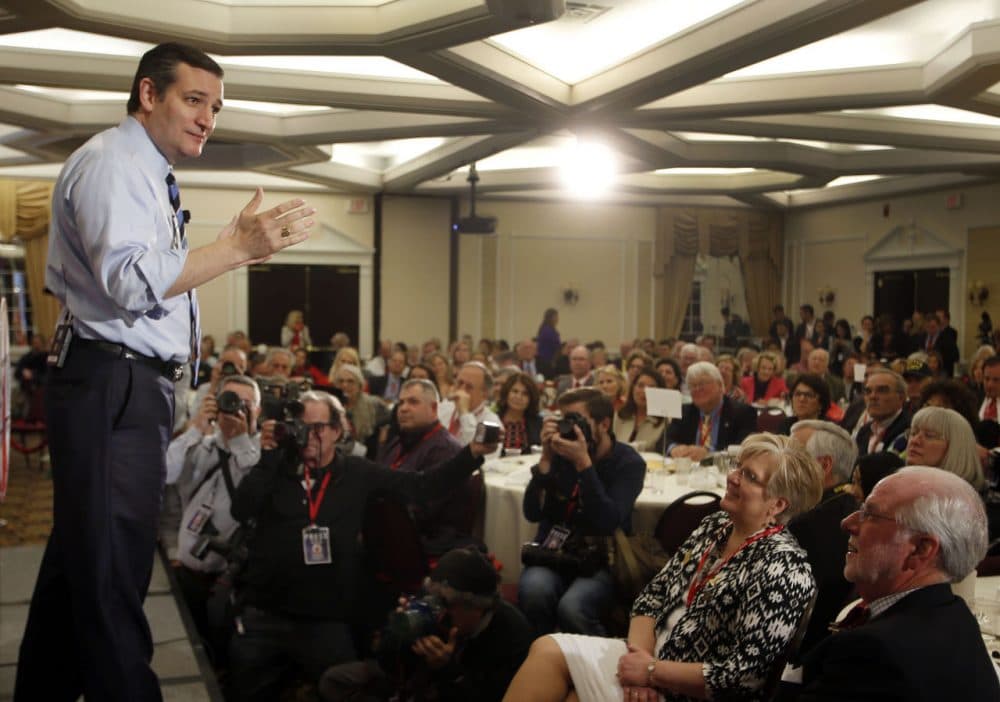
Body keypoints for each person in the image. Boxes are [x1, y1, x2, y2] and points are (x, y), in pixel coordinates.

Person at [15, 42, 314, 702]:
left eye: (216, 107)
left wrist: (230, 254)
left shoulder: (143, 170)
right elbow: (132, 285)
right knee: (113, 578)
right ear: (149, 95)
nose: (209, 118)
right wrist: (233, 247)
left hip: (121, 387)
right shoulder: (113, 164)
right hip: (109, 386)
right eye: (194, 100)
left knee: (81, 568)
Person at [505, 434, 823, 702]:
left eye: (749, 476)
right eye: (738, 467)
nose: (733, 477)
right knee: (547, 649)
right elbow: (653, 596)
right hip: (652, 659)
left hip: (689, 691)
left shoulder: (784, 569)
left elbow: (742, 676)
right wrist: (641, 666)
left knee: (566, 683)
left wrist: (654, 672)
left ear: (778, 505)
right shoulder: (717, 526)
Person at [227, 391, 498, 701]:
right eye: (300, 426)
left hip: (324, 616)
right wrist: (270, 456)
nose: (308, 435)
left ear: (337, 431)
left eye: (318, 427)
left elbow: (423, 486)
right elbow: (241, 510)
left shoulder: (355, 472)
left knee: (346, 686)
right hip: (267, 613)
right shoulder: (275, 469)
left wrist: (473, 452)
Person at [795, 467, 999, 701]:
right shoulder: (955, 615)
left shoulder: (877, 652)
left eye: (870, 514)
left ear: (921, 549)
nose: (847, 522)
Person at [319, 547, 534, 702]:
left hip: (455, 689)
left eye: (446, 604)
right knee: (333, 680)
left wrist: (447, 670)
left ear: (477, 607)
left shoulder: (513, 635)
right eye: (433, 600)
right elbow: (388, 664)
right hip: (414, 680)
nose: (438, 611)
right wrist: (399, 631)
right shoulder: (433, 602)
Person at [518, 388, 645, 637]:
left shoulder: (628, 463)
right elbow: (532, 512)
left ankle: (599, 667)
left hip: (602, 556)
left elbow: (607, 522)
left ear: (604, 424)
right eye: (565, 420)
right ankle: (541, 660)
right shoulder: (560, 452)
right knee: (534, 591)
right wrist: (545, 459)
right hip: (555, 552)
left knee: (572, 608)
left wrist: (583, 464)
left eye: (576, 420)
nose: (569, 428)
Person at [165, 374, 262, 660]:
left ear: (259, 410)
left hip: (232, 577)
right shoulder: (201, 445)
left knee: (226, 650)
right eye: (230, 401)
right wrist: (196, 428)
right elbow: (165, 472)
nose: (237, 409)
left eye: (247, 404)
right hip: (188, 568)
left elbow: (257, 498)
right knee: (191, 648)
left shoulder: (262, 457)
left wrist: (242, 441)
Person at [785, 420, 859, 659]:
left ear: (823, 465)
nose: (780, 462)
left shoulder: (805, 525)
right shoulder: (850, 508)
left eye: (792, 454)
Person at [375, 379, 474, 556]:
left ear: (434, 409)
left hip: (427, 541)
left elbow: (423, 510)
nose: (403, 408)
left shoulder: (445, 449)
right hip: (391, 530)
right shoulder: (396, 443)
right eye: (401, 402)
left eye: (413, 402)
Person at [668, 362, 757, 460]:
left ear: (719, 385)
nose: (697, 389)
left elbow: (745, 449)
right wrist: (674, 448)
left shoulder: (743, 413)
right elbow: (664, 440)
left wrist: (710, 454)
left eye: (702, 384)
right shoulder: (684, 411)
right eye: (693, 385)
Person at [904, 406, 985, 490]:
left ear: (956, 448)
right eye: (913, 433)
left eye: (929, 436)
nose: (914, 441)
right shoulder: (900, 484)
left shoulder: (963, 500)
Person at [437, 361, 501, 446]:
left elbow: (477, 453)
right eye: (459, 383)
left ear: (484, 393)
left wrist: (464, 412)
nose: (462, 390)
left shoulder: (492, 422)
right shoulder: (444, 407)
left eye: (469, 387)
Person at [334, 363, 390, 454]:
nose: (344, 385)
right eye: (341, 381)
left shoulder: (374, 404)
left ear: (360, 385)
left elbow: (390, 420)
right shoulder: (332, 406)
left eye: (350, 381)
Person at [855, 369, 910, 457]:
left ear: (901, 398)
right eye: (868, 391)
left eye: (882, 390)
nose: (873, 396)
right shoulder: (864, 431)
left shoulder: (909, 431)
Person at [613, 367, 668, 452]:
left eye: (651, 387)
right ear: (633, 388)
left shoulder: (665, 421)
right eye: (640, 386)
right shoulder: (620, 415)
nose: (644, 391)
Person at [497, 371, 543, 455]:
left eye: (525, 394)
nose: (518, 397)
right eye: (515, 391)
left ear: (531, 399)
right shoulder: (493, 419)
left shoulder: (539, 423)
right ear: (506, 393)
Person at [537, 308, 562, 378]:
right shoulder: (548, 331)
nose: (557, 319)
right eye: (556, 317)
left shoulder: (544, 329)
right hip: (548, 361)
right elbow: (557, 346)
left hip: (544, 360)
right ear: (551, 318)